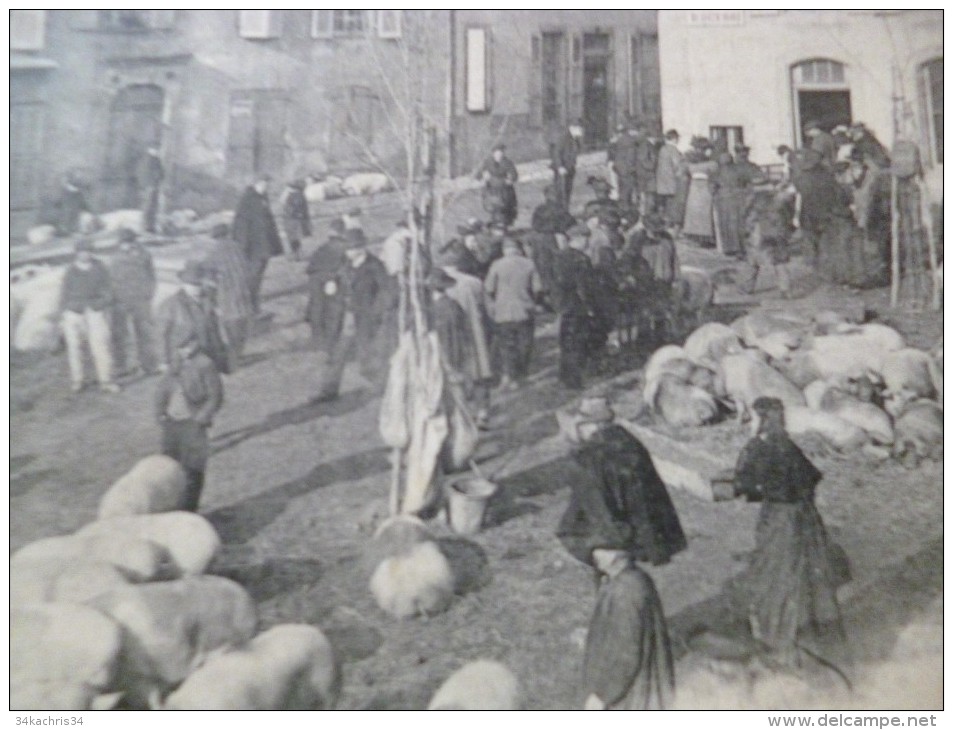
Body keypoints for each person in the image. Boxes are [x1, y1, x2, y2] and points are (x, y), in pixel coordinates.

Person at [729, 397, 848, 667]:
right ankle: (822, 644)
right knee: (811, 579)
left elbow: (743, 483)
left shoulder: (757, 447)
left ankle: (783, 644)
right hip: (806, 519)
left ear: (759, 419)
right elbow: (811, 477)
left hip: (780, 519)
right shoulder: (788, 445)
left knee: (777, 576)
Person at [556, 395, 687, 567]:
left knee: (568, 531)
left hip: (623, 532)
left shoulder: (588, 457)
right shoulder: (627, 439)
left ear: (590, 425)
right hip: (654, 532)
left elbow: (598, 507)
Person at [582, 548, 675, 710]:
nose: (594, 554)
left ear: (618, 554)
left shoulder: (626, 591)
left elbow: (627, 655)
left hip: (629, 697)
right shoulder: (630, 580)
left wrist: (603, 697)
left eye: (601, 549)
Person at [314, 228, 394, 402]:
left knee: (366, 359)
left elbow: (387, 292)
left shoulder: (374, 266)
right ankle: (328, 391)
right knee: (337, 355)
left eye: (351, 248)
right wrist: (332, 282)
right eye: (347, 247)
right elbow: (337, 276)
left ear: (361, 248)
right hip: (346, 317)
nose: (347, 251)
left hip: (366, 319)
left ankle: (383, 387)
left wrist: (375, 313)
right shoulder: (346, 262)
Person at [155, 330, 224, 512]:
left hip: (193, 424)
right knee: (168, 469)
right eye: (180, 348)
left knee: (193, 471)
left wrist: (200, 419)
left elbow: (215, 397)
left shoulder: (205, 364)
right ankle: (170, 510)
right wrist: (160, 413)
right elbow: (162, 390)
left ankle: (189, 511)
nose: (184, 351)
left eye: (187, 346)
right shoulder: (175, 364)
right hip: (171, 424)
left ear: (195, 343)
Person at [440, 250, 494, 429]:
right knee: (480, 371)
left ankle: (462, 415)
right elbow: (487, 308)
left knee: (456, 375)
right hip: (476, 330)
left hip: (452, 335)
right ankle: (483, 412)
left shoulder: (440, 286)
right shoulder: (474, 282)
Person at [59, 239, 120, 393]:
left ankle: (106, 380)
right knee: (75, 347)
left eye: (88, 251)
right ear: (76, 253)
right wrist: (64, 314)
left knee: (101, 346)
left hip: (95, 310)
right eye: (82, 251)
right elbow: (64, 294)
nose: (85, 254)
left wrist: (102, 303)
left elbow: (110, 289)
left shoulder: (100, 268)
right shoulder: (70, 271)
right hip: (74, 312)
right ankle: (78, 380)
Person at [483, 238, 543, 391]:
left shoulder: (496, 265)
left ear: (504, 250)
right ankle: (520, 376)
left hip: (503, 311)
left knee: (506, 345)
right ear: (518, 248)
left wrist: (493, 304)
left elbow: (489, 288)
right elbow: (537, 288)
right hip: (524, 310)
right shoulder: (529, 264)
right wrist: (534, 302)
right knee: (524, 344)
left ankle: (507, 375)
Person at [792, 147, 856, 280]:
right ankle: (828, 271)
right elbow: (837, 194)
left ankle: (815, 267)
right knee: (827, 243)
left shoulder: (801, 178)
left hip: (808, 214)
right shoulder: (828, 176)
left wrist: (796, 215)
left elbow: (798, 196)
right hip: (827, 213)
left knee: (811, 242)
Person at [157, 261, 230, 375]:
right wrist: (164, 361)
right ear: (183, 284)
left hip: (208, 351)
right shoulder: (170, 305)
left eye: (199, 284)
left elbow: (214, 330)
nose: (196, 288)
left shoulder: (208, 300)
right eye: (191, 284)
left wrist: (222, 353)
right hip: (184, 354)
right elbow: (161, 335)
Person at [202, 223, 255, 368]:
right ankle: (239, 353)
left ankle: (233, 359)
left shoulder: (213, 253)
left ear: (215, 237)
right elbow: (248, 270)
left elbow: (209, 279)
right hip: (243, 293)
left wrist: (210, 298)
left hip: (226, 295)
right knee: (242, 325)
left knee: (231, 328)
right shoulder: (238, 248)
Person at [551, 224, 598, 390]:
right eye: (586, 238)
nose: (588, 242)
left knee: (566, 341)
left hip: (564, 305)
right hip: (578, 306)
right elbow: (584, 286)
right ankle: (574, 380)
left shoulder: (559, 256)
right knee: (578, 342)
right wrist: (590, 306)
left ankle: (564, 376)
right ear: (578, 239)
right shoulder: (581, 259)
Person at [109, 228, 158, 377]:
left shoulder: (144, 254)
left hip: (140, 299)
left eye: (130, 241)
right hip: (120, 300)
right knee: (119, 334)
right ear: (119, 243)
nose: (128, 245)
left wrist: (149, 293)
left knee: (145, 332)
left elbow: (151, 276)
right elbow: (109, 280)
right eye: (124, 242)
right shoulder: (113, 257)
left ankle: (148, 365)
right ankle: (120, 366)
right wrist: (113, 298)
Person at [232, 174, 283, 315]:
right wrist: (242, 248)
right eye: (263, 184)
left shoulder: (262, 198)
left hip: (264, 246)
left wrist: (275, 245)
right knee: (252, 277)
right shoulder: (247, 200)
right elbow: (241, 226)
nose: (266, 186)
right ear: (256, 183)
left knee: (258, 276)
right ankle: (250, 306)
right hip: (252, 248)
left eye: (267, 184)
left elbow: (269, 223)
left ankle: (253, 303)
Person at [740, 187, 795, 298]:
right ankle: (786, 290)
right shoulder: (781, 202)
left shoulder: (755, 201)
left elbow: (749, 221)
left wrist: (746, 232)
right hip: (778, 235)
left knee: (753, 262)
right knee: (780, 263)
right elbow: (789, 220)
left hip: (759, 235)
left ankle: (747, 288)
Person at [710, 151, 747, 257]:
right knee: (738, 223)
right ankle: (741, 248)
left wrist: (715, 194)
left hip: (723, 199)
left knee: (725, 224)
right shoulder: (739, 171)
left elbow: (712, 187)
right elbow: (746, 183)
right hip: (738, 198)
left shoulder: (717, 172)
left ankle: (729, 248)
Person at [682, 138, 717, 245]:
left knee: (699, 210)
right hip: (701, 186)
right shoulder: (711, 163)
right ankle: (700, 235)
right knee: (699, 210)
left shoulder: (690, 163)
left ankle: (699, 235)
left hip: (697, 186)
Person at [478, 143, 519, 227]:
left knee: (506, 209)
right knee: (494, 208)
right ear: (493, 153)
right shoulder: (487, 162)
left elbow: (514, 175)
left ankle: (505, 225)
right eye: (497, 153)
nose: (499, 155)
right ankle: (496, 226)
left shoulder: (507, 162)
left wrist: (510, 179)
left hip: (504, 189)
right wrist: (483, 176)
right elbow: (478, 175)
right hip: (491, 189)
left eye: (501, 153)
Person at [655, 129, 687, 229]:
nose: (678, 140)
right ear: (674, 138)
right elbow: (678, 165)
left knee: (667, 204)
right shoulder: (673, 150)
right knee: (675, 205)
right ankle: (675, 226)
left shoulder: (662, 149)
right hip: (673, 181)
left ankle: (667, 224)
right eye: (677, 138)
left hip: (663, 182)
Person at [551, 119, 583, 207]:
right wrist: (560, 166)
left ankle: (565, 211)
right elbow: (556, 152)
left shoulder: (575, 139)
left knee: (568, 191)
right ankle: (560, 213)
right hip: (562, 170)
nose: (581, 131)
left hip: (570, 168)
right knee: (561, 193)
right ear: (572, 128)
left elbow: (575, 151)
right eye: (579, 129)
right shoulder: (563, 138)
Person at [609, 119, 640, 209]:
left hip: (620, 170)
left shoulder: (622, 138)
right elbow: (630, 158)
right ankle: (626, 213)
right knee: (627, 193)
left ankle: (623, 211)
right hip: (626, 171)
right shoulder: (630, 141)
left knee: (623, 192)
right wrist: (633, 170)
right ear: (633, 130)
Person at [51, 173, 92, 238]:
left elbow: (84, 205)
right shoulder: (66, 193)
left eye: (64, 182)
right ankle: (67, 230)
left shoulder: (73, 193)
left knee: (81, 218)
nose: (62, 184)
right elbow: (57, 204)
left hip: (74, 218)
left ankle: (71, 230)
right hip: (70, 218)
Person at [136, 146, 164, 234]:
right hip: (150, 186)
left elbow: (161, 173)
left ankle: (150, 227)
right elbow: (160, 173)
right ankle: (146, 227)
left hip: (151, 186)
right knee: (149, 207)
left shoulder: (152, 160)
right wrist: (152, 183)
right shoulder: (151, 160)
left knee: (151, 207)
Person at [281, 179, 311, 261]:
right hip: (294, 219)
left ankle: (296, 255)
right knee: (295, 238)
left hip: (290, 219)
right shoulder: (298, 195)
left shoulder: (290, 195)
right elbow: (297, 208)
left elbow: (287, 207)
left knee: (293, 238)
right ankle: (297, 255)